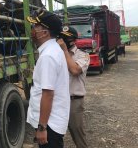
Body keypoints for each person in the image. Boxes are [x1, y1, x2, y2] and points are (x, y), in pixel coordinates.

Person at [26, 9, 70, 148]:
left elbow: (48, 93)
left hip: (50, 125)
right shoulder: (53, 50)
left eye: (35, 27)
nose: (32, 30)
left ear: (44, 32)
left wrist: (42, 128)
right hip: (52, 121)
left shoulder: (48, 56)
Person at [57, 26, 90, 148]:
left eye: (63, 38)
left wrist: (65, 51)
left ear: (71, 40)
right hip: (58, 100)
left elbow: (75, 70)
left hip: (74, 101)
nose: (60, 40)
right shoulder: (57, 55)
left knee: (78, 135)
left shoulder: (83, 55)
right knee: (55, 135)